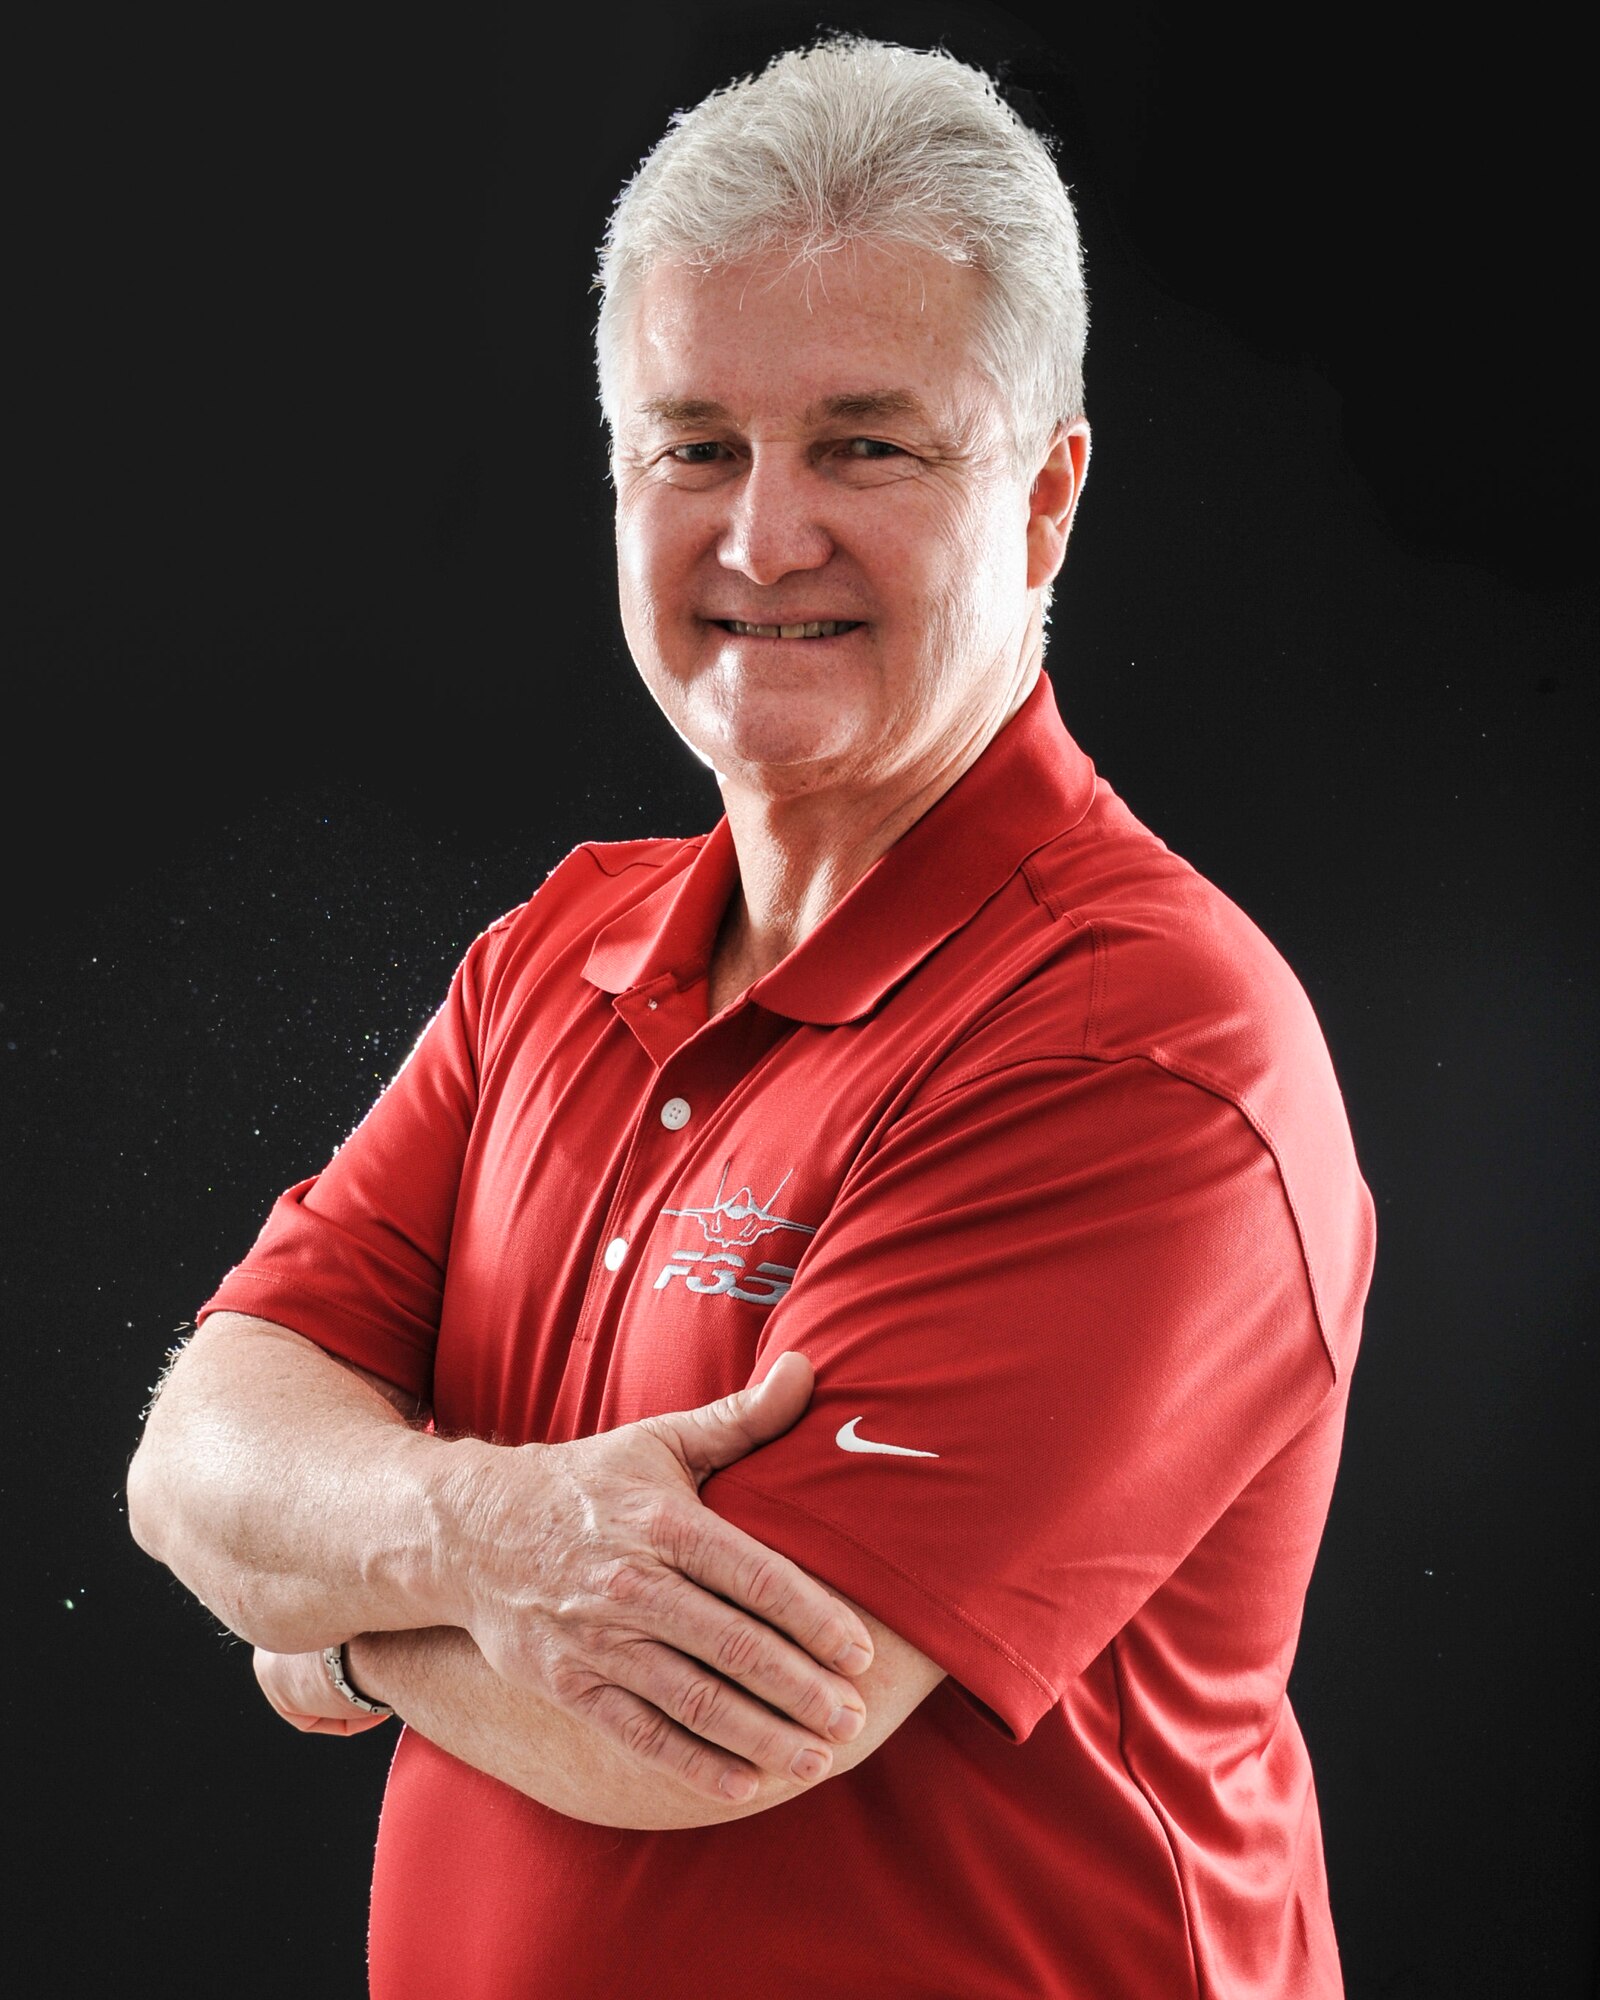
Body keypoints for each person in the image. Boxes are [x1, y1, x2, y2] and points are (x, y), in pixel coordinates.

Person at [127, 36, 1374, 2000]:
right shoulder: (557, 949)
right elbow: (196, 1450)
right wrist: (500, 1533)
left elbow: (699, 1726)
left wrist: (342, 1613)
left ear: (1042, 502)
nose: (758, 537)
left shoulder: (1134, 1039)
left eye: (863, 444)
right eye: (692, 441)